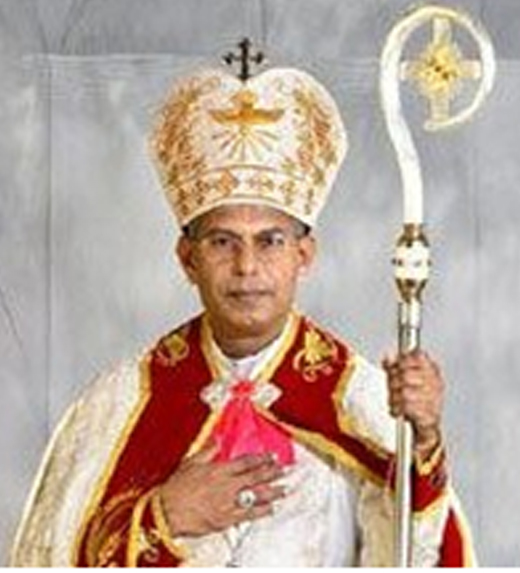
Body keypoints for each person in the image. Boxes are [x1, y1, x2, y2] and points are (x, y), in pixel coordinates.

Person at [10, 63, 475, 567]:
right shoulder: (118, 404)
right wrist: (161, 519)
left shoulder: (361, 400)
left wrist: (423, 444)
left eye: (270, 241)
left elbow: (415, 557)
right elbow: (46, 557)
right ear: (187, 260)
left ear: (304, 256)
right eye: (221, 241)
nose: (246, 266)